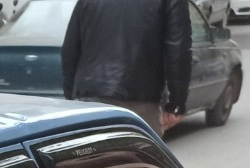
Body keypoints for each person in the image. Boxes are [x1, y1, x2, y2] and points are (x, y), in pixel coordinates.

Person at [61, 0, 191, 135]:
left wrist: (71, 94)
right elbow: (178, 50)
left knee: (92, 153)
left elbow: (70, 48)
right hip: (140, 98)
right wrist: (176, 103)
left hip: (90, 95)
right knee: (140, 153)